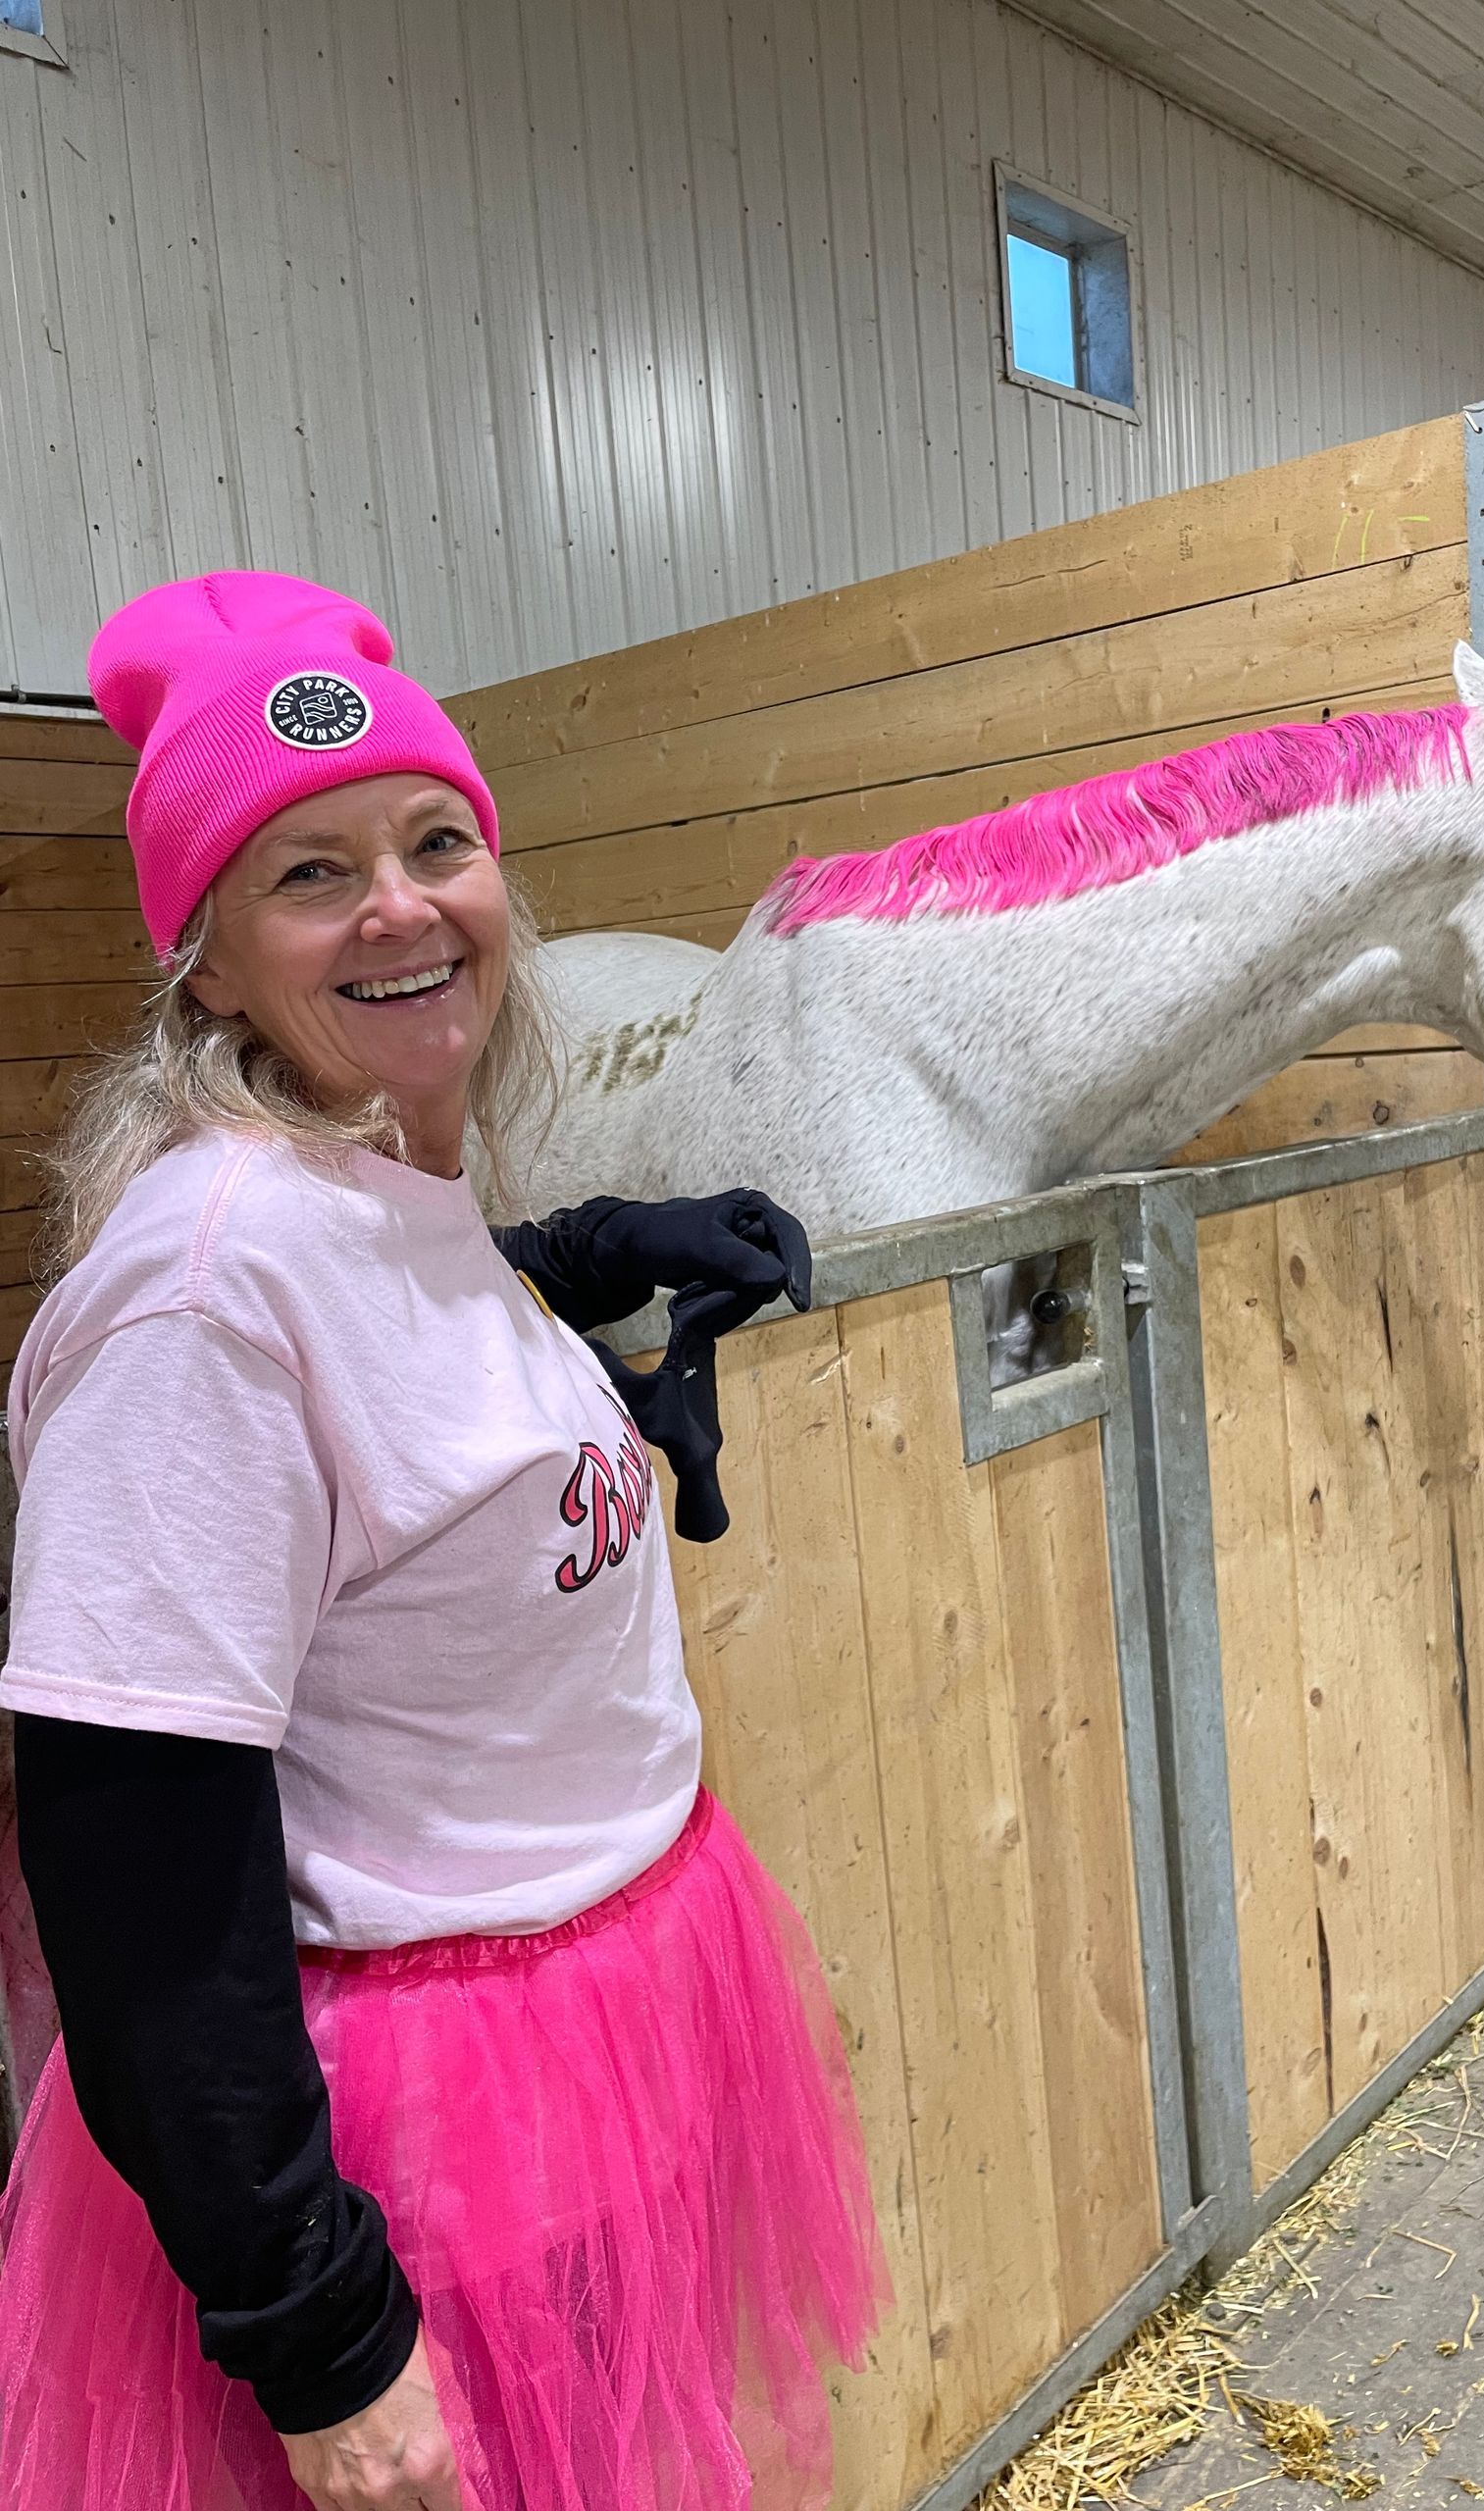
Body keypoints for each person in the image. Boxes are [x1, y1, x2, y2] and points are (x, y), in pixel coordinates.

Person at [0, 572, 884, 2511]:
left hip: (599, 2021)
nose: (400, 904)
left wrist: (581, 1269)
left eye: (435, 841)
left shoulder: (379, 1184)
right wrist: (318, 2323)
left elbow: (396, 1351)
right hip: (425, 2117)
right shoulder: (201, 1305)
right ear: (208, 967)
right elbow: (137, 1868)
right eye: (310, 872)